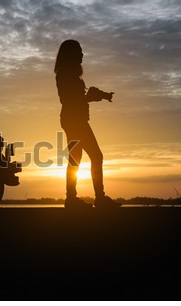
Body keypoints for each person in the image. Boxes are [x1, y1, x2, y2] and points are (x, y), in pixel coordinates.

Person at [54, 39, 121, 208]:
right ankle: (97, 198)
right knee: (95, 156)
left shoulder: (69, 74)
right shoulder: (64, 75)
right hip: (74, 120)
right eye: (79, 52)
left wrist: (101, 95)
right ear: (71, 55)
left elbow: (79, 98)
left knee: (76, 159)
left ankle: (72, 199)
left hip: (74, 119)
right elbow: (69, 100)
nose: (82, 54)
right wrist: (91, 97)